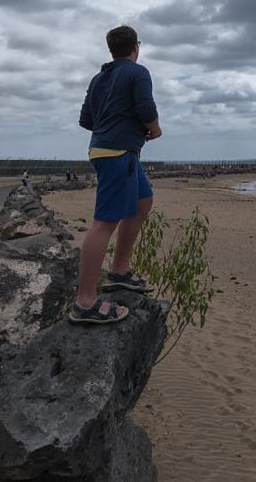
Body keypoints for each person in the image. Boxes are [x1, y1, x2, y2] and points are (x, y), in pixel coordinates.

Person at [70, 25, 162, 325]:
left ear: (112, 49)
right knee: (104, 223)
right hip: (118, 154)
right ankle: (85, 303)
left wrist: (113, 123)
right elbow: (146, 108)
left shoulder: (99, 79)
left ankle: (119, 271)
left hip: (110, 151)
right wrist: (154, 128)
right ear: (135, 46)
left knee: (142, 202)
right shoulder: (138, 72)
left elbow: (86, 120)